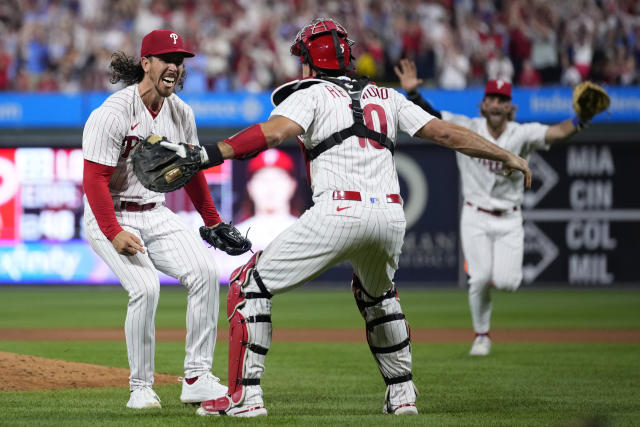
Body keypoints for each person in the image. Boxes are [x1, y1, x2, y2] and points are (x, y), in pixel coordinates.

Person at [157, 18, 531, 417]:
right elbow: (446, 133)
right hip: (390, 215)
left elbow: (273, 132)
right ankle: (402, 395)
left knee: (248, 285)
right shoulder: (387, 96)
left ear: (310, 61)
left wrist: (209, 154)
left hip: (338, 210)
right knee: (379, 296)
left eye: (302, 58)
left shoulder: (311, 92)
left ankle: (245, 398)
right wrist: (506, 154)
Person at [395, 58, 597, 356]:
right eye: (492, 98)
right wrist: (412, 94)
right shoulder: (467, 127)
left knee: (508, 282)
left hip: (509, 219)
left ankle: (487, 295)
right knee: (478, 278)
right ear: (483, 104)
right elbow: (433, 117)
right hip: (474, 214)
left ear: (510, 107)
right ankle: (481, 335)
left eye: (502, 99)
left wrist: (580, 120)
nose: (496, 103)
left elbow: (556, 133)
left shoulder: (521, 134)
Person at [81, 30, 228, 409]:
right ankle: (141, 388)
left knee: (205, 273)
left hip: (155, 212)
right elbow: (94, 181)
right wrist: (113, 232)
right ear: (145, 63)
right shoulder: (114, 113)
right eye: (166, 58)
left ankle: (196, 377)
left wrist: (211, 221)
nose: (175, 67)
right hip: (110, 212)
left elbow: (192, 171)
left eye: (179, 61)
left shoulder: (181, 112)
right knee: (146, 288)